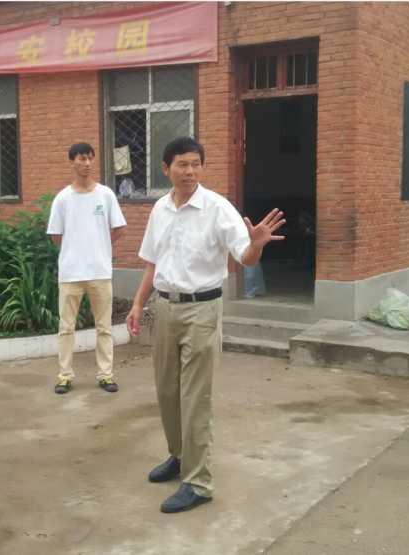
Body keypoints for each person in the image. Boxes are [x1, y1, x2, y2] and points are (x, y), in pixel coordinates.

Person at [126, 137, 284, 514]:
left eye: (196, 164)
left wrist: (257, 245)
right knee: (167, 391)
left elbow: (245, 258)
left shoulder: (217, 208)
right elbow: (152, 263)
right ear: (166, 168)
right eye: (182, 164)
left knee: (195, 396)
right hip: (165, 308)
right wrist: (137, 304)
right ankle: (179, 456)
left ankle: (198, 483)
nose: (190, 171)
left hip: (202, 310)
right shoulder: (160, 209)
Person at [47, 143, 127, 395]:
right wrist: (76, 249)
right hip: (71, 273)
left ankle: (105, 375)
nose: (87, 163)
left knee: (104, 328)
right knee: (66, 328)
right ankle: (64, 376)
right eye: (82, 159)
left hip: (100, 272)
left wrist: (99, 245)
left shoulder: (106, 195)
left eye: (90, 158)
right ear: (72, 161)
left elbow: (119, 229)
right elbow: (56, 236)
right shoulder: (63, 199)